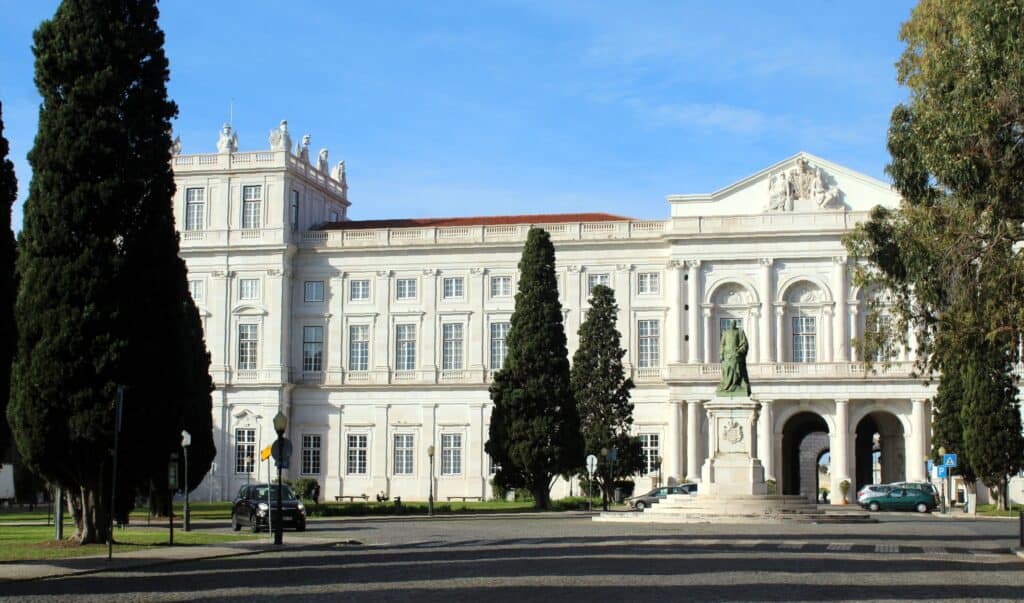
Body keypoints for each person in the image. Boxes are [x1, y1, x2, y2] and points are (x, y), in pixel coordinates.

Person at [716, 323, 751, 396]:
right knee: (726, 370)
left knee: (736, 370)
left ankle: (735, 385)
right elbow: (722, 344)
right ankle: (727, 386)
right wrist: (721, 354)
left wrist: (739, 351)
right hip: (727, 355)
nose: (732, 324)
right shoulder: (725, 333)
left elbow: (744, 344)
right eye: (731, 323)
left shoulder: (740, 332)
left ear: (735, 324)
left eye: (734, 323)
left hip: (736, 355)